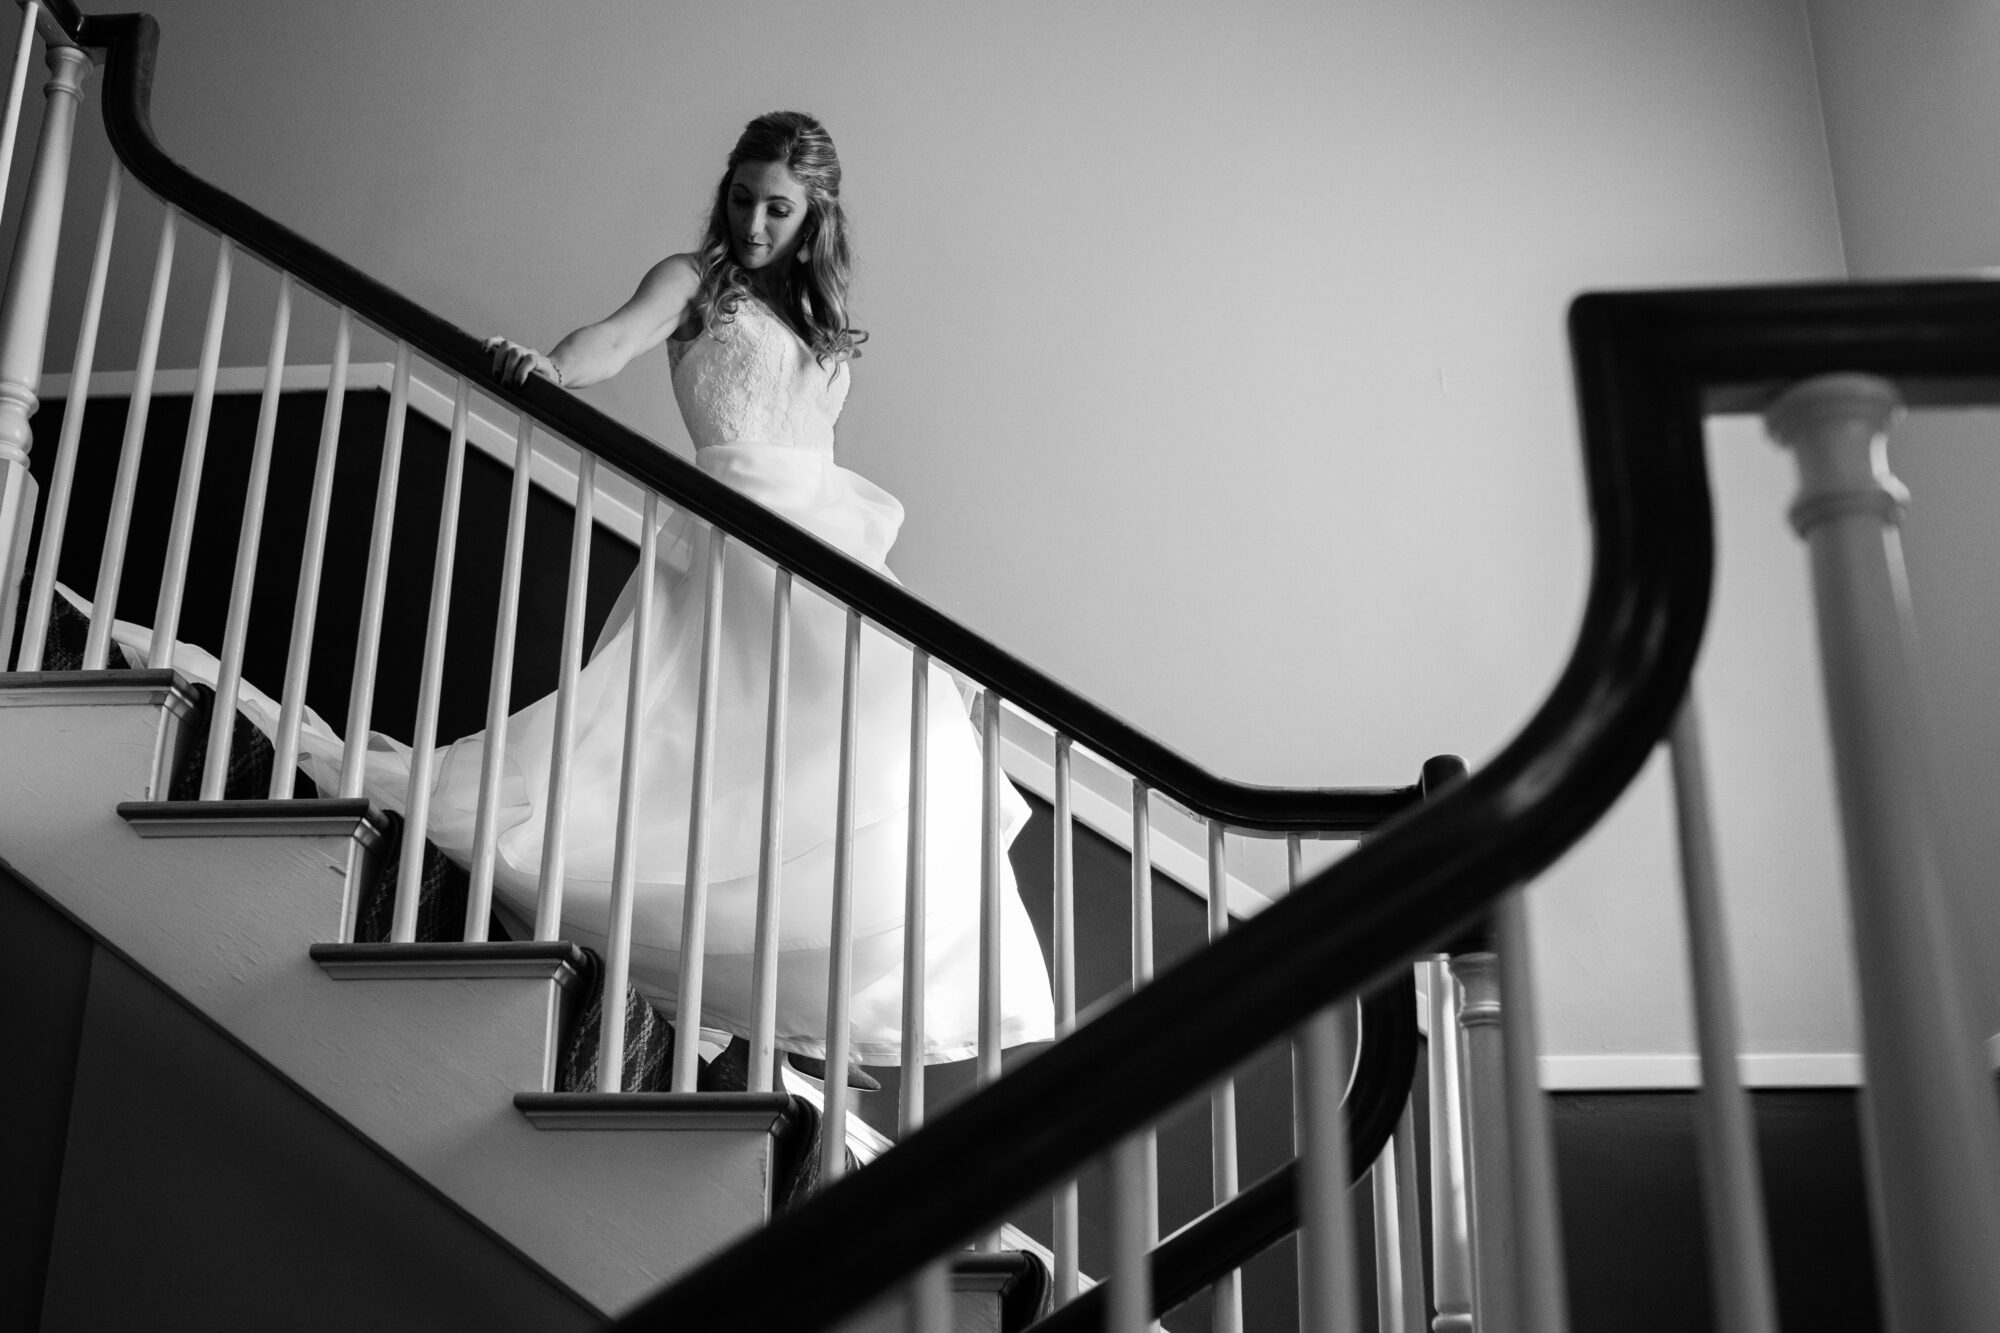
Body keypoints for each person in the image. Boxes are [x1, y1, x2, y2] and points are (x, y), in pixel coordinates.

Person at [75, 111, 1055, 1088]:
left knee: (885, 754)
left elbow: (814, 447)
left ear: (815, 218)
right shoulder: (694, 282)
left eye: (779, 209)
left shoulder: (821, 328)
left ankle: (797, 990)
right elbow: (613, 339)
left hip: (827, 546)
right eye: (744, 199)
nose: (755, 225)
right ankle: (714, 955)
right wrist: (551, 367)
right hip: (740, 538)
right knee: (707, 756)